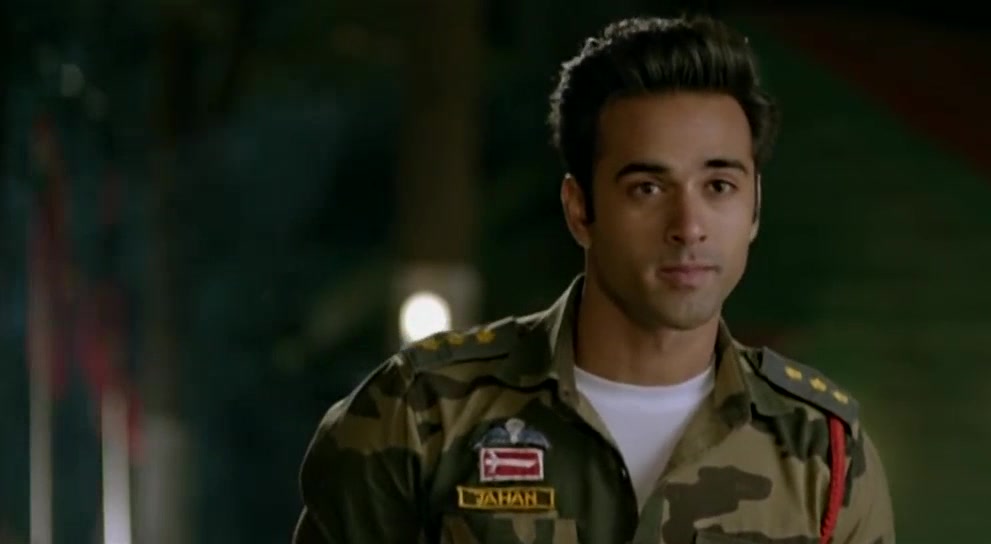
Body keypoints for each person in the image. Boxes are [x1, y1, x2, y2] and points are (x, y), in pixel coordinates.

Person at [292, 15, 894, 544]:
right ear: (580, 208)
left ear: (754, 207)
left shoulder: (824, 453)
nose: (689, 227)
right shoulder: (422, 414)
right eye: (647, 188)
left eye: (719, 186)